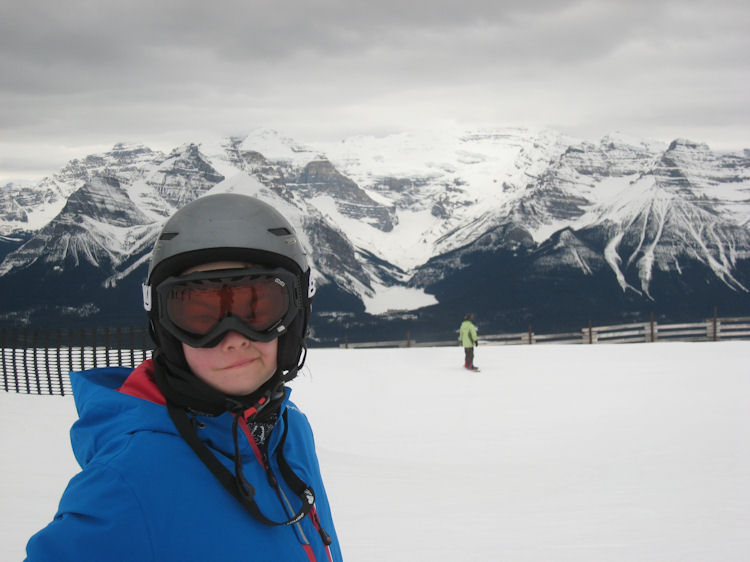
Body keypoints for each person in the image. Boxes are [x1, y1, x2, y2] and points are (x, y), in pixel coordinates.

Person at [25, 194, 342, 561]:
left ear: (294, 318)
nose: (233, 339)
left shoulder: (288, 430)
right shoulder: (126, 480)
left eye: (257, 308)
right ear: (167, 329)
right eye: (200, 315)